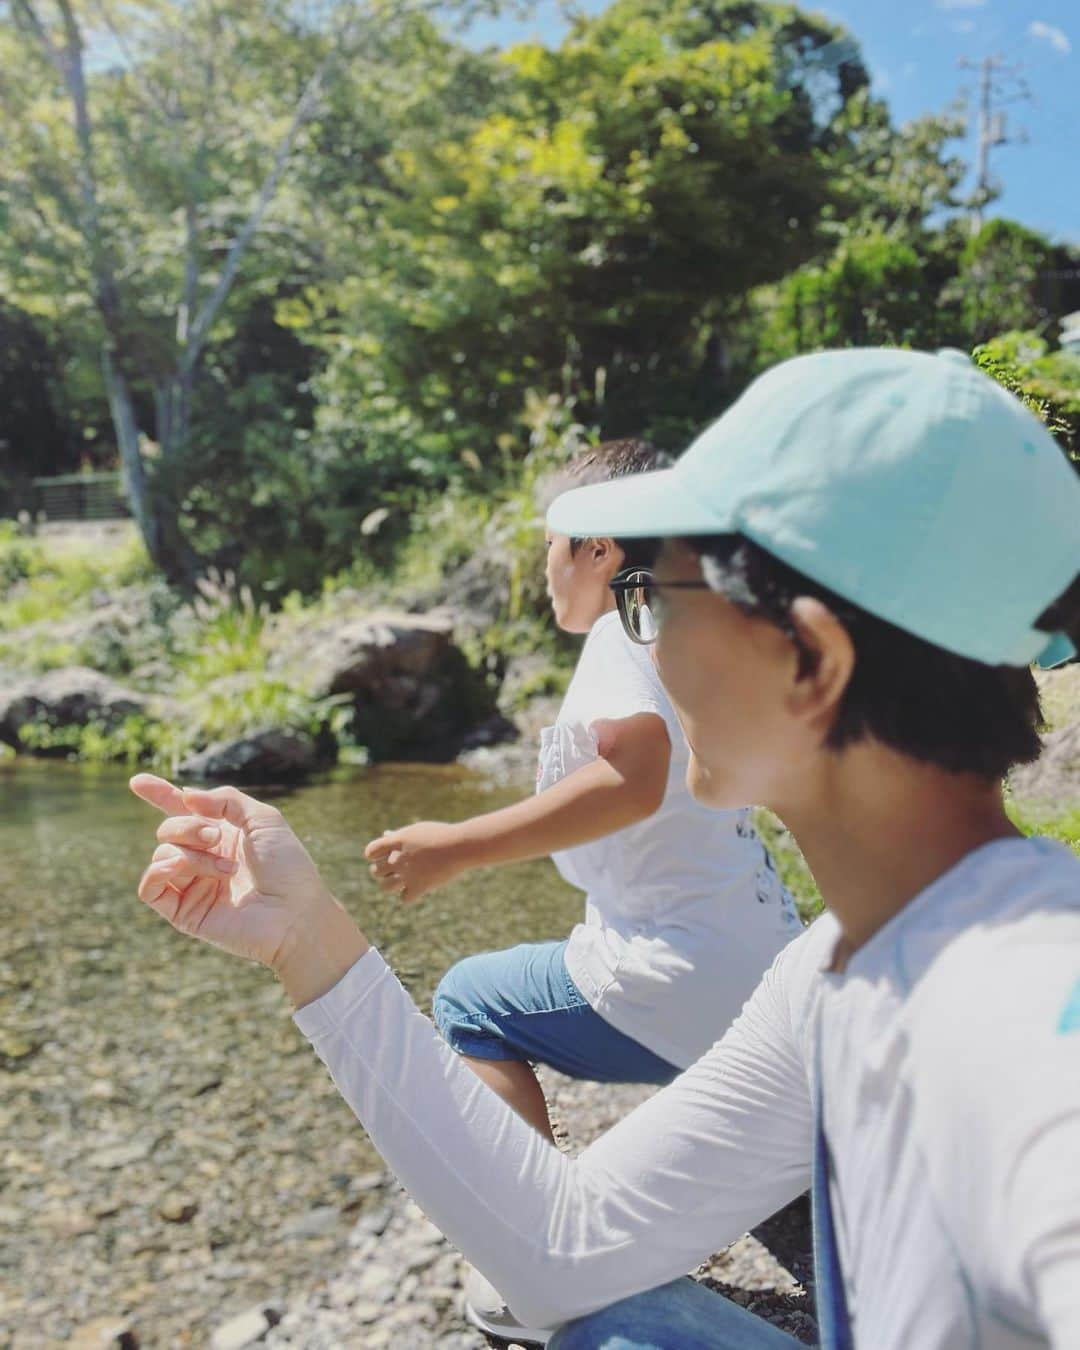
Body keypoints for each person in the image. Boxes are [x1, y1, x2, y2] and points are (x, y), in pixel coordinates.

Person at [132, 347, 1080, 1350]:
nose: (647, 641)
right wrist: (306, 939)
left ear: (811, 659)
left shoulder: (1023, 1015)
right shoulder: (837, 971)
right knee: (583, 1317)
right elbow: (562, 1247)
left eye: (653, 599)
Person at [363, 438, 799, 1156]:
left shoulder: (619, 635)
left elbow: (634, 782)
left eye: (550, 546)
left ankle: (534, 1220)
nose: (544, 566)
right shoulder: (704, 629)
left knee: (469, 1003)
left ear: (599, 551)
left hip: (686, 976)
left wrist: (457, 848)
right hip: (769, 961)